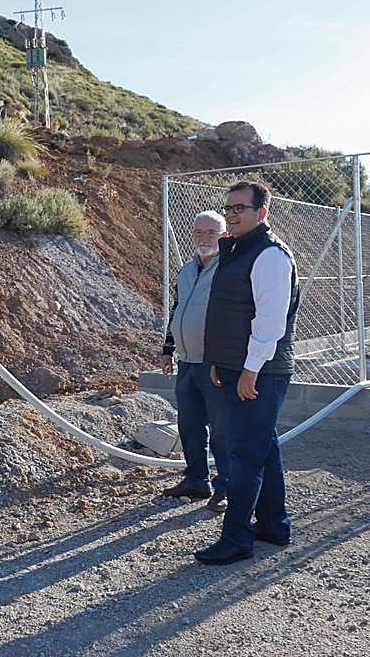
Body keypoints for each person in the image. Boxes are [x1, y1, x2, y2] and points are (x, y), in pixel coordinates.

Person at [195, 180, 301, 565]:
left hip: (260, 370)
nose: (232, 214)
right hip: (238, 367)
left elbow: (270, 321)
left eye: (240, 207)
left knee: (244, 454)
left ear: (262, 212)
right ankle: (273, 525)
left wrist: (250, 370)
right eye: (229, 208)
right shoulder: (240, 251)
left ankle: (237, 536)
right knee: (263, 447)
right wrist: (221, 364)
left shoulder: (269, 255)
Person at [159, 210, 230, 512]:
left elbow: (233, 318)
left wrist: (222, 358)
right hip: (187, 362)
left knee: (222, 429)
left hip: (215, 364)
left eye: (211, 233)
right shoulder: (186, 271)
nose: (204, 238)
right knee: (189, 425)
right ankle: (196, 479)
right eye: (198, 232)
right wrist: (167, 348)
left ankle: (226, 486)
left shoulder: (230, 269)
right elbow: (177, 309)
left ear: (224, 236)